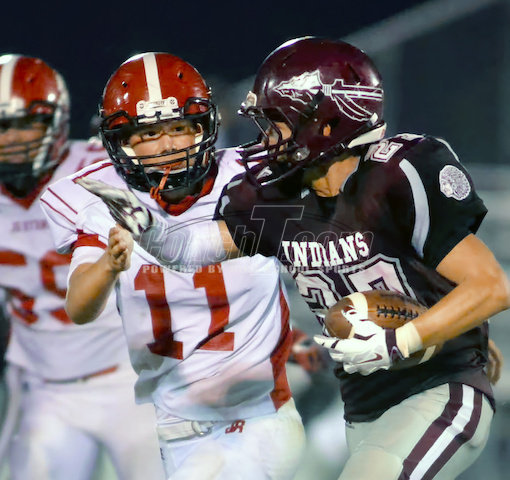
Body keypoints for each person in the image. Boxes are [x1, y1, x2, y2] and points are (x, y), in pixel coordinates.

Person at [84, 38, 510, 479]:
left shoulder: (394, 176)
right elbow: (193, 249)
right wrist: (149, 231)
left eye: (276, 123)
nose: (266, 138)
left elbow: (491, 287)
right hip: (363, 405)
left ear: (324, 123)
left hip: (438, 389)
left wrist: (407, 338)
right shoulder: (276, 199)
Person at [40, 51, 306, 480]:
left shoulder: (251, 179)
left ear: (203, 125)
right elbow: (79, 307)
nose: (167, 146)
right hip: (174, 430)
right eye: (149, 133)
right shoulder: (100, 198)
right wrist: (109, 263)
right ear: (122, 141)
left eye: (179, 127)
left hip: (259, 417)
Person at [0, 54, 164, 480]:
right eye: (2, 126)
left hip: (132, 374)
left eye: (27, 123)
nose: (12, 139)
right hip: (45, 389)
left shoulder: (102, 168)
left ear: (56, 121)